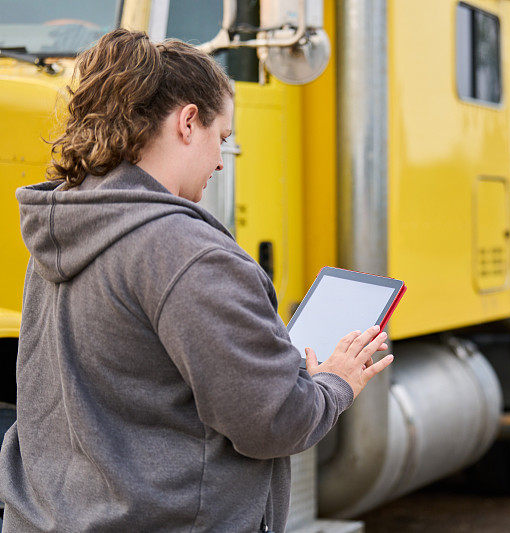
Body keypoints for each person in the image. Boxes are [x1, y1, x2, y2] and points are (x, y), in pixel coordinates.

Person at [0, 29, 393, 532]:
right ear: (188, 122)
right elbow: (271, 421)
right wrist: (336, 381)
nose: (219, 162)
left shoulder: (65, 225)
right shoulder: (189, 254)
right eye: (221, 138)